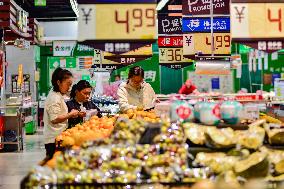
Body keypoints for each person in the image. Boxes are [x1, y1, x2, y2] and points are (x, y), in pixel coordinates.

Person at [43, 68, 79, 159]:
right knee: (54, 164)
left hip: (58, 137)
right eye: (68, 84)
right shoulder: (54, 97)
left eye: (70, 85)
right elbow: (54, 119)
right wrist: (70, 114)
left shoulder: (57, 94)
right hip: (53, 140)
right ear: (58, 82)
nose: (69, 87)